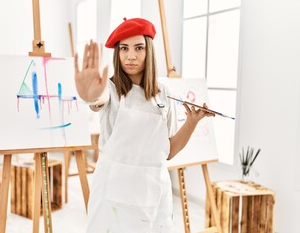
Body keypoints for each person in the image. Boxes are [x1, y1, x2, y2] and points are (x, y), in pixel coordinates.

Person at [74, 17, 214, 233]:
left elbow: (167, 152)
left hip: (153, 194)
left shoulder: (163, 93)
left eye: (138, 48)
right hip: (114, 195)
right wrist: (91, 96)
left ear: (149, 50)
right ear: (117, 53)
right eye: (124, 49)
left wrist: (192, 123)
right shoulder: (110, 89)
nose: (131, 56)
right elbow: (98, 100)